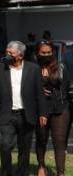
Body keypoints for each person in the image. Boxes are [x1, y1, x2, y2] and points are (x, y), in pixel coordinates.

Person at [0, 41, 48, 176]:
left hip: (26, 115)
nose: (7, 55)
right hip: (7, 115)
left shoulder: (33, 69)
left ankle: (22, 172)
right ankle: (6, 172)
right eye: (6, 52)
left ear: (20, 55)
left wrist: (43, 113)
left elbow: (40, 93)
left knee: (24, 148)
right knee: (5, 145)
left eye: (11, 53)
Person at [35, 41, 70, 176]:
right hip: (40, 109)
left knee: (59, 140)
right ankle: (41, 166)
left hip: (60, 108)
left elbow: (67, 87)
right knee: (41, 138)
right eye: (43, 53)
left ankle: (60, 172)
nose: (46, 55)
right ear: (37, 53)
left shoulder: (61, 67)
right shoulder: (32, 68)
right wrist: (39, 91)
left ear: (53, 52)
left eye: (49, 52)